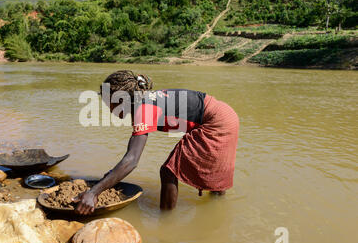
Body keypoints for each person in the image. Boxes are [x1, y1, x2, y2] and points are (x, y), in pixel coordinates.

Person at [74, 70, 240, 215]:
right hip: (224, 114)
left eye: (108, 103)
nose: (109, 109)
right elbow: (131, 150)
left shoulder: (144, 109)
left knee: (168, 171)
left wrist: (93, 192)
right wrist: (112, 176)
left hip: (217, 121)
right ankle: (217, 209)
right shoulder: (142, 104)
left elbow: (132, 160)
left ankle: (166, 221)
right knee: (212, 174)